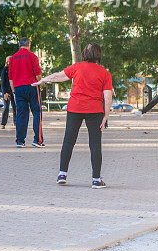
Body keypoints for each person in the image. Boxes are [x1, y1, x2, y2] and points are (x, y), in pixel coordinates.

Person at [35, 43, 112, 188]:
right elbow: (107, 97)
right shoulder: (104, 73)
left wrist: (44, 79)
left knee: (68, 141)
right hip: (94, 110)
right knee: (95, 144)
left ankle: (62, 174)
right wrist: (106, 116)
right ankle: (96, 179)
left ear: (84, 54)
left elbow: (59, 76)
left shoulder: (77, 67)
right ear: (99, 55)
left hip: (74, 108)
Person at [9, 37, 44, 148]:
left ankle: (20, 141)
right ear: (28, 44)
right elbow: (38, 74)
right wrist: (41, 82)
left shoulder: (13, 58)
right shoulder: (32, 56)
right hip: (32, 86)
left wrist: (14, 91)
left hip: (18, 88)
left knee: (21, 114)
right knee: (36, 112)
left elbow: (10, 77)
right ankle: (37, 140)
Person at [0, 56, 16, 129]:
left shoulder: (15, 69)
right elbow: (3, 82)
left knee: (15, 107)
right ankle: (3, 123)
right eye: (10, 60)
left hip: (14, 91)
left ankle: (16, 123)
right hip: (7, 91)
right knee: (6, 107)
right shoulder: (5, 70)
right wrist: (4, 92)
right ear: (7, 61)